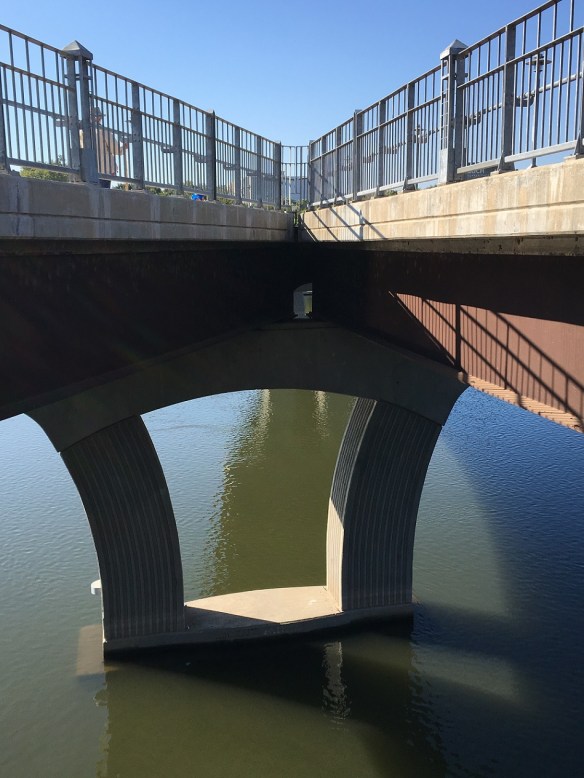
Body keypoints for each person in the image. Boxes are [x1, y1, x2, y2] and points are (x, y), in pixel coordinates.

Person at [82, 107, 128, 188]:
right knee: (103, 195)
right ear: (99, 117)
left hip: (87, 169)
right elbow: (115, 149)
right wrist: (123, 147)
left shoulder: (82, 131)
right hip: (104, 170)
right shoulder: (103, 130)